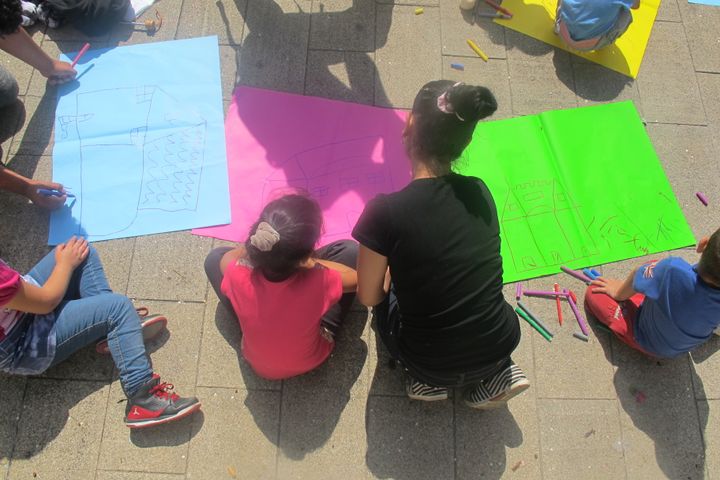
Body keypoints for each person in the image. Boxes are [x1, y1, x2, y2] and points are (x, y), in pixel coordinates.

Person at [352, 80, 529, 409]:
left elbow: (368, 295)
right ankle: (495, 375)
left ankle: (426, 382)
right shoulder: (479, 191)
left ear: (409, 125)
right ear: (467, 141)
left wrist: (391, 277)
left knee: (387, 301)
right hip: (500, 342)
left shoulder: (384, 211)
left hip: (426, 359)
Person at [0, 237, 201, 428]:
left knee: (81, 250)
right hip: (23, 342)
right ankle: (143, 398)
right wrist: (65, 265)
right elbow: (46, 301)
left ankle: (115, 332)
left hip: (20, 308)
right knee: (118, 307)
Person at [204, 193, 359, 380]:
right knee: (349, 250)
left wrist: (255, 250)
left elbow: (224, 261)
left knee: (214, 258)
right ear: (306, 254)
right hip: (311, 359)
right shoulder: (319, 281)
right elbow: (357, 280)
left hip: (258, 362)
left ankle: (259, 327)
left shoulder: (237, 272)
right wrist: (310, 263)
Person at [586, 228, 720, 358]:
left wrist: (618, 292)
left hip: (647, 339)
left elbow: (637, 273)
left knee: (594, 291)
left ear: (703, 244)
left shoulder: (672, 269)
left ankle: (629, 332)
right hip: (680, 348)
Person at [554, 0, 640, 52]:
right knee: (626, 14)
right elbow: (636, 5)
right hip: (587, 45)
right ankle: (605, 41)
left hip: (562, 29)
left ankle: (556, 24)